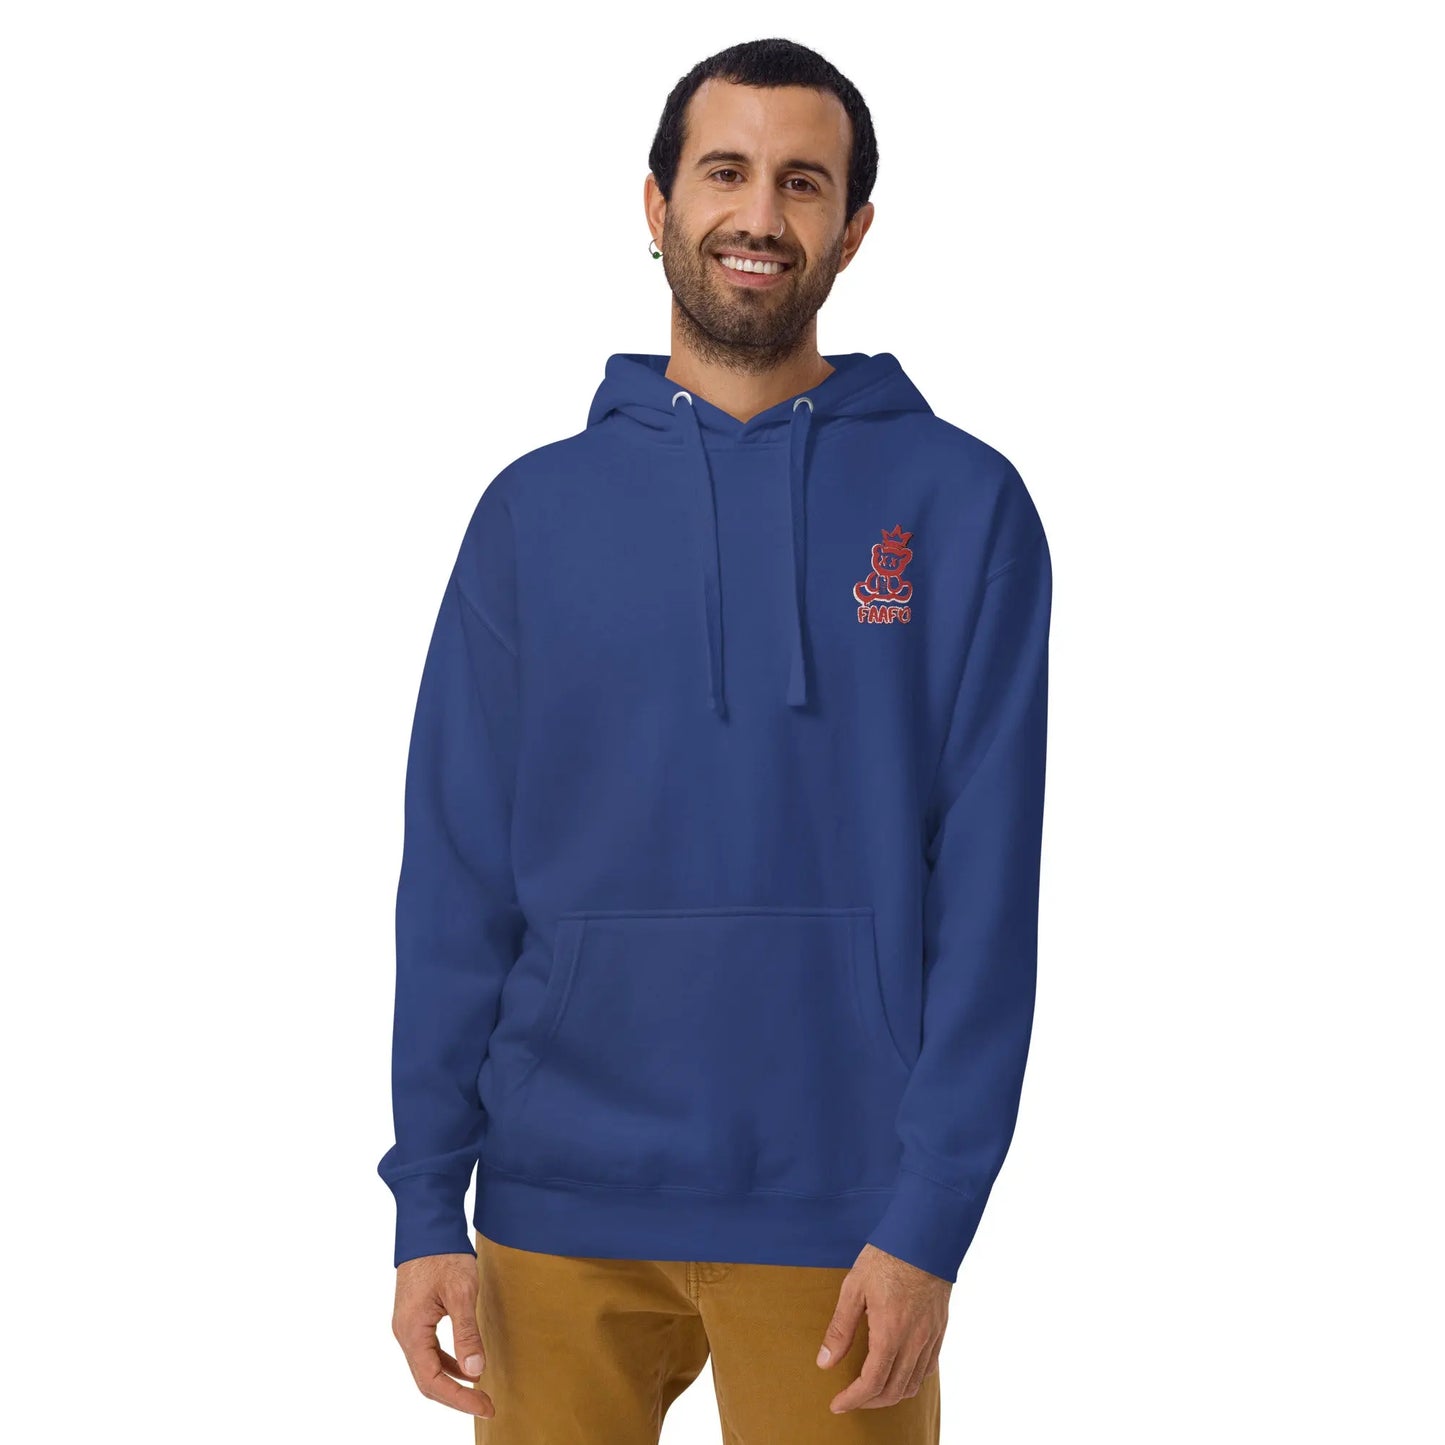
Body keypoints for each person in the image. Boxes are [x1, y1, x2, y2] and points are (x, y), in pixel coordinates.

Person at [378, 36, 1052, 1444]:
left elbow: (988, 897)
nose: (759, 214)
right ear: (657, 203)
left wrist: (933, 1214)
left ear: (853, 228)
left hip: (845, 1213)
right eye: (725, 171)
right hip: (553, 1204)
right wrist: (428, 1196)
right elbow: (453, 875)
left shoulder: (962, 504)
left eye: (803, 182)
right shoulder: (531, 515)